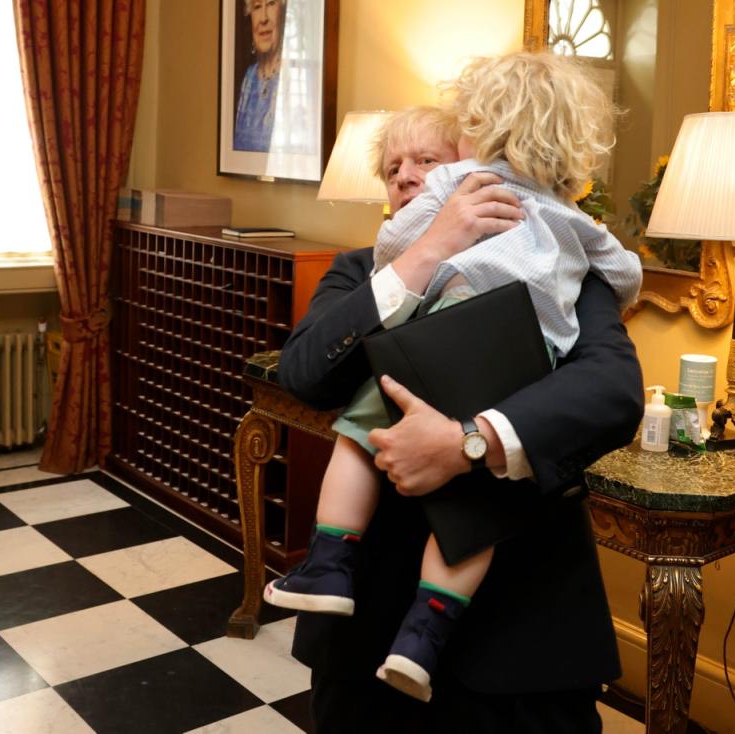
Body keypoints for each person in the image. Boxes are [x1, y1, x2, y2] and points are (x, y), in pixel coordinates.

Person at [264, 52, 643, 704]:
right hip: (370, 634)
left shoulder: (560, 264)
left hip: (523, 637)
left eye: (428, 163)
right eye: (392, 168)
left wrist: (471, 443)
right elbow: (303, 375)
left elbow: (613, 388)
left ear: (479, 162)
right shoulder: (361, 272)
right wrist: (425, 254)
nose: (407, 177)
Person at [233, 0, 285, 152]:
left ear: (283, 11)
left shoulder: (293, 77)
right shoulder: (249, 78)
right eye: (256, 7)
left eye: (270, 4)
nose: (263, 18)